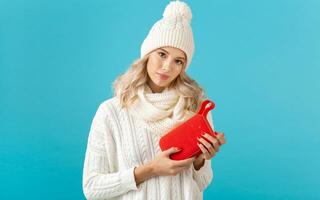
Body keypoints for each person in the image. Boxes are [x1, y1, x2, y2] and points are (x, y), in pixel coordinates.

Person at [82, 1, 227, 199]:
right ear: (147, 54)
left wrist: (200, 159)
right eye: (162, 54)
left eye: (178, 61)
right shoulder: (112, 111)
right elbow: (92, 188)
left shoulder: (195, 107)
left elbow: (202, 182)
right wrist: (150, 169)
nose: (168, 66)